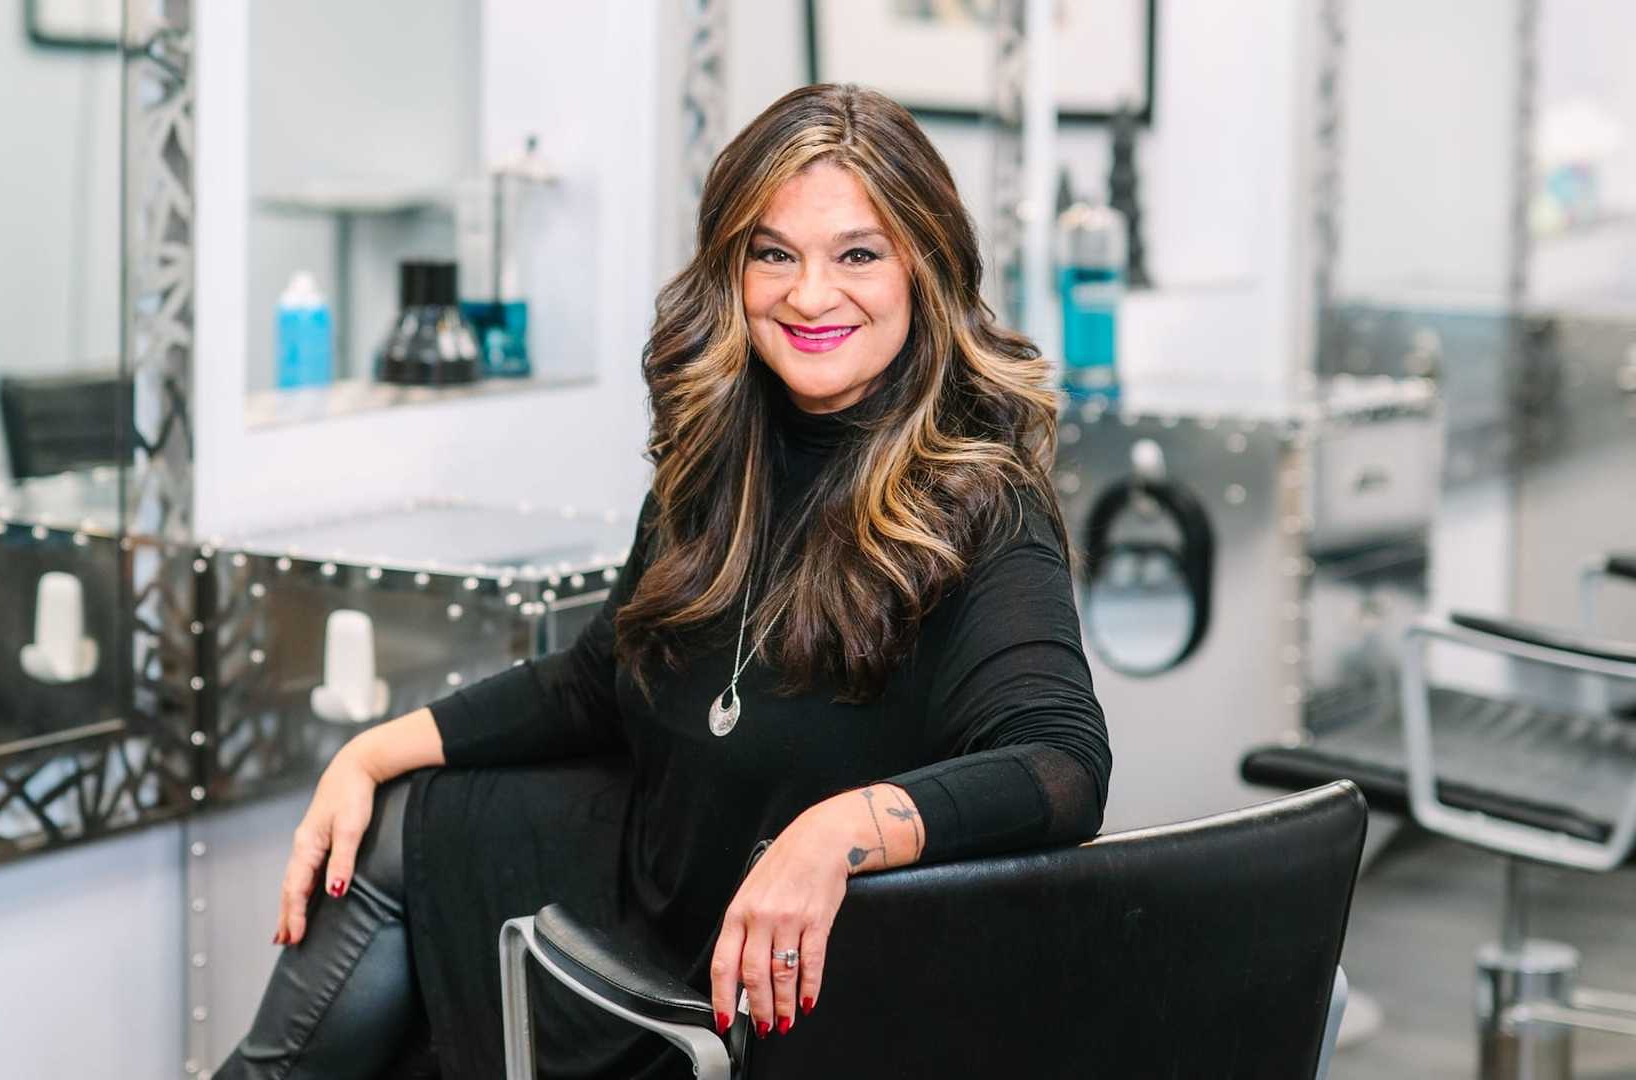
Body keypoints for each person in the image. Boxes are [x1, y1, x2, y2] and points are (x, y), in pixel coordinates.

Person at [216, 83, 1110, 1079]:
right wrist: (371, 753)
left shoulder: (981, 504)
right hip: (653, 885)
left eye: (857, 253)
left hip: (782, 990)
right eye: (774, 253)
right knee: (390, 834)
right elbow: (600, 680)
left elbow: (1061, 766)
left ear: (924, 269)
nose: (810, 295)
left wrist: (834, 836)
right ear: (732, 268)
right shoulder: (716, 456)